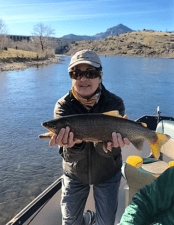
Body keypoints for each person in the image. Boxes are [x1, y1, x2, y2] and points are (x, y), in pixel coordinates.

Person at [49, 50, 130, 225]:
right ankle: (87, 218)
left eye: (90, 73)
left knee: (106, 222)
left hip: (108, 172)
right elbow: (67, 155)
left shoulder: (115, 103)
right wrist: (73, 146)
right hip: (75, 173)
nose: (83, 79)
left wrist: (109, 146)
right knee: (70, 222)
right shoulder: (63, 107)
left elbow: (108, 152)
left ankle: (90, 218)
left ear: (100, 77)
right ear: (71, 77)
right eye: (76, 74)